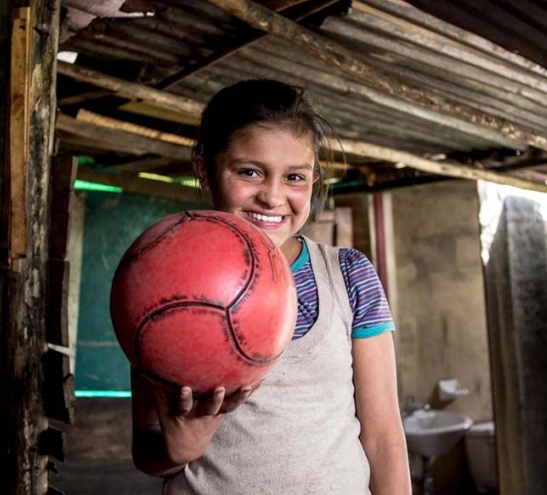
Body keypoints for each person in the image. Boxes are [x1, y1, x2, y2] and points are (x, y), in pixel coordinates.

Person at [130, 79, 412, 494]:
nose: (273, 196)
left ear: (314, 180)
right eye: (249, 172)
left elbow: (384, 435)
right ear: (205, 169)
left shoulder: (348, 275)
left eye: (294, 177)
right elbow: (148, 454)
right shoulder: (165, 280)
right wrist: (177, 449)